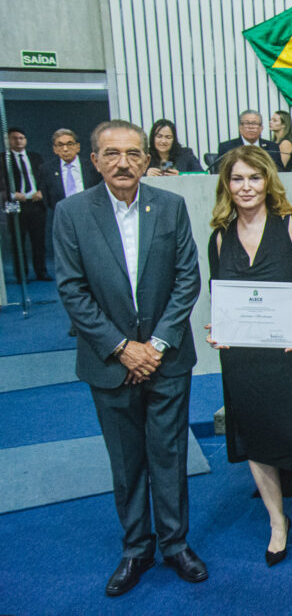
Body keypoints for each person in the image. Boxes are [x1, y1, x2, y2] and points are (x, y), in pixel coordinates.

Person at [53, 120, 206, 596]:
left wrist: (155, 345)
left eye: (133, 154)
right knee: (126, 462)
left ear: (146, 160)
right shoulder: (71, 212)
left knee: (169, 454)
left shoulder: (172, 206)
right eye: (112, 153)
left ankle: (175, 543)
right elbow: (72, 290)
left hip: (166, 359)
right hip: (109, 361)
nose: (124, 163)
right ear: (94, 159)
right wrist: (123, 348)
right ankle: (136, 548)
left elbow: (187, 280)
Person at [206, 145, 292, 568]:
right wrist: (219, 326)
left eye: (254, 177)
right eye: (237, 179)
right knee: (258, 445)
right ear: (226, 185)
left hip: (290, 354)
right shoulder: (218, 236)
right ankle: (277, 523)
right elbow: (221, 296)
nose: (246, 186)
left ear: (268, 180)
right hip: (242, 361)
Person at [2, 127, 50, 281]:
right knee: (18, 241)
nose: (18, 141)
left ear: (26, 140)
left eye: (21, 138)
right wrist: (11, 194)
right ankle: (21, 274)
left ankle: (41, 271)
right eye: (15, 138)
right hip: (15, 204)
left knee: (39, 241)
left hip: (36, 204)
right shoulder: (3, 159)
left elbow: (44, 178)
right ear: (8, 141)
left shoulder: (35, 157)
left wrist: (42, 191)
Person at [39, 128, 101, 210]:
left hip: (90, 211)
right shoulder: (47, 169)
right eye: (60, 145)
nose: (65, 149)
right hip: (63, 215)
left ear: (77, 147)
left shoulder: (92, 166)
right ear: (55, 149)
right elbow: (47, 200)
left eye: (70, 144)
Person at [215, 110, 283, 173]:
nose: (251, 127)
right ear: (240, 127)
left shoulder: (272, 147)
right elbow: (220, 172)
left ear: (261, 128)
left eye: (254, 123)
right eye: (246, 123)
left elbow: (280, 171)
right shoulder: (227, 147)